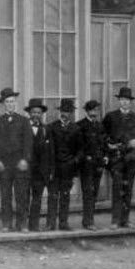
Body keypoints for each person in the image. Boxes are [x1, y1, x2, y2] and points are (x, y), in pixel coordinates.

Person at [0, 88, 32, 232]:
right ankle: (6, 223)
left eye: (12, 101)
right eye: (7, 102)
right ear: (3, 104)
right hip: (4, 164)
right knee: (5, 195)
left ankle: (22, 224)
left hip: (19, 163)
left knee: (21, 194)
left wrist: (25, 160)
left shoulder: (24, 121)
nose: (10, 104)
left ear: (16, 103)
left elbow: (28, 143)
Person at [103, 87, 135, 228]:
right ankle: (115, 220)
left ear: (131, 102)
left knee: (128, 188)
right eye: (122, 100)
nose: (125, 103)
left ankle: (126, 220)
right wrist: (109, 145)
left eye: (127, 100)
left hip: (131, 158)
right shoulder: (110, 116)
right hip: (116, 158)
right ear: (119, 100)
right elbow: (103, 134)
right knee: (117, 188)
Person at [47, 99, 79, 231]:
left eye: (68, 111)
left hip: (68, 168)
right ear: (60, 112)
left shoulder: (76, 129)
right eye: (63, 111)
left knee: (65, 196)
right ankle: (50, 223)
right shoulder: (52, 127)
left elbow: (80, 149)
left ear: (71, 113)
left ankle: (63, 223)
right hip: (55, 168)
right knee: (53, 196)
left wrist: (74, 161)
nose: (65, 114)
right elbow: (48, 150)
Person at [76, 100, 106, 230]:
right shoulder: (80, 126)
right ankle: (88, 221)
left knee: (94, 192)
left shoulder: (100, 126)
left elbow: (104, 143)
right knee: (88, 192)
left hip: (98, 164)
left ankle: (89, 219)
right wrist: (84, 158)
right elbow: (78, 147)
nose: (94, 113)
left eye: (96, 110)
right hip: (86, 165)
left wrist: (105, 156)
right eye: (92, 110)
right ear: (87, 111)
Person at [25, 99, 53, 232]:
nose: (36, 115)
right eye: (34, 112)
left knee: (37, 198)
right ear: (29, 113)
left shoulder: (45, 129)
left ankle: (33, 224)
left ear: (42, 114)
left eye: (39, 112)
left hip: (40, 171)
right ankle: (22, 224)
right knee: (23, 197)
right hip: (26, 169)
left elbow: (49, 151)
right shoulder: (23, 127)